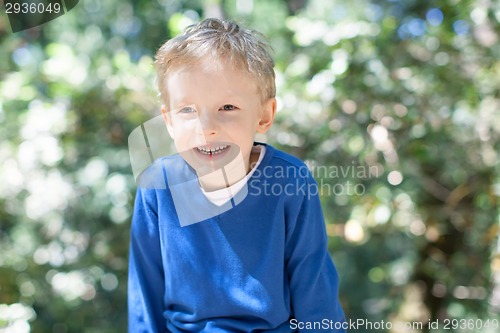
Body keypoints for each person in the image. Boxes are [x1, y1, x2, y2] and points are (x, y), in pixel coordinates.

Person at [128, 17, 346, 332]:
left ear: (264, 115)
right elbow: (143, 302)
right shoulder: (158, 186)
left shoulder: (290, 181)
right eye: (187, 110)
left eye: (227, 107)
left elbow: (315, 296)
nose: (207, 127)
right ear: (169, 121)